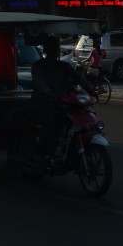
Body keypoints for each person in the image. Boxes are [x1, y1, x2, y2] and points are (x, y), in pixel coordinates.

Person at [31, 34, 78, 166]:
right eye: (52, 48)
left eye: (56, 48)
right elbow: (41, 83)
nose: (55, 51)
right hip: (43, 104)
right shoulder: (38, 66)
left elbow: (77, 77)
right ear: (46, 50)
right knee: (51, 123)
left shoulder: (64, 66)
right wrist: (49, 93)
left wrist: (89, 89)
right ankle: (42, 154)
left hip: (62, 103)